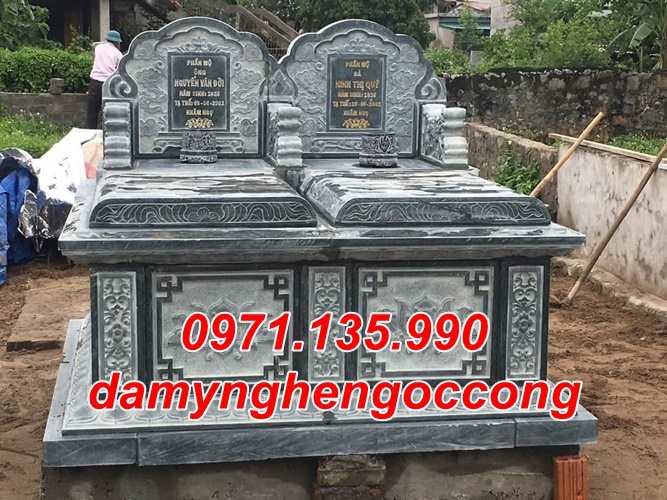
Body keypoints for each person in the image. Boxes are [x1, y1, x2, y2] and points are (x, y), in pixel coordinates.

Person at [86, 30, 123, 129]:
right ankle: (107, 132)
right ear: (117, 42)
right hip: (109, 84)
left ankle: (91, 131)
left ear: (107, 39)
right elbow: (120, 71)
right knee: (108, 111)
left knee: (92, 111)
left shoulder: (98, 48)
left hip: (94, 82)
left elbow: (95, 45)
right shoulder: (118, 54)